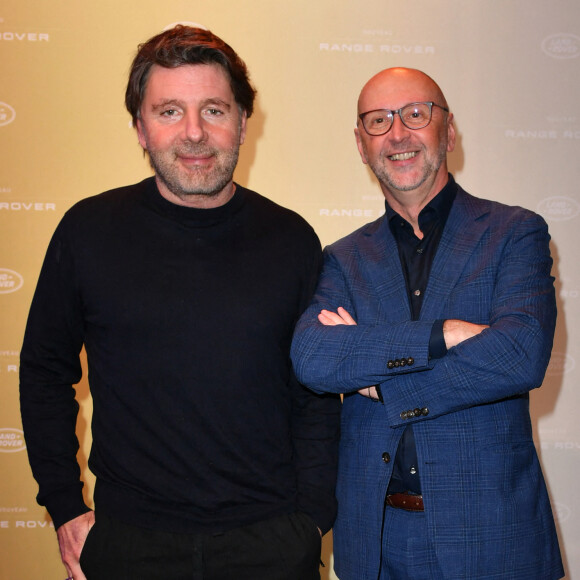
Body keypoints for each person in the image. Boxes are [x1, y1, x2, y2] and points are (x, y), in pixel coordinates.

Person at [20, 25, 340, 580]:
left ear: (243, 123)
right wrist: (66, 506)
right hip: (128, 545)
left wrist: (312, 518)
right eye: (169, 111)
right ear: (140, 129)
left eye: (213, 110)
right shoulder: (88, 231)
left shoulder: (292, 240)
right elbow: (45, 372)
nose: (194, 133)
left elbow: (315, 393)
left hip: (270, 543)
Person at [291, 67, 563, 579]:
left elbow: (520, 354)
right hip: (377, 539)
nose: (397, 133)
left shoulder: (514, 232)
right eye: (378, 121)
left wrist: (381, 384)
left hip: (492, 537)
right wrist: (445, 335)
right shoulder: (343, 259)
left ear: (449, 131)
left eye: (415, 114)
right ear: (360, 143)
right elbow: (312, 356)